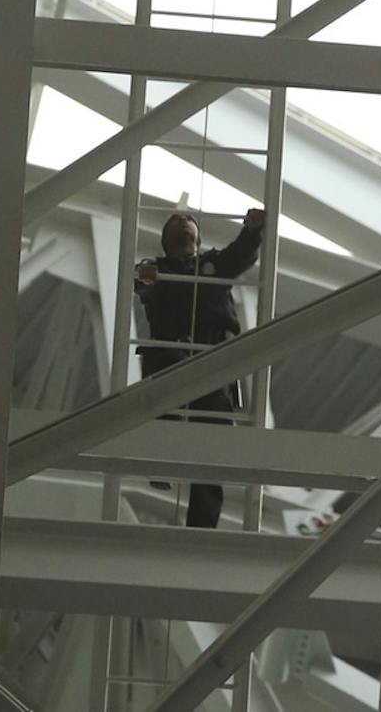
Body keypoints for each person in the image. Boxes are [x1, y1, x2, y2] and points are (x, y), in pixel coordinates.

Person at [135, 206, 266, 530]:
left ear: (197, 238)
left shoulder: (213, 264)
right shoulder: (156, 267)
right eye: (176, 222)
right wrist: (144, 279)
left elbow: (240, 256)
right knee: (168, 396)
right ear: (166, 241)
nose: (183, 221)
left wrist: (251, 231)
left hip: (213, 356)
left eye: (188, 220)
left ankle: (202, 527)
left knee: (211, 444)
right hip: (170, 353)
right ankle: (162, 462)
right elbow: (141, 282)